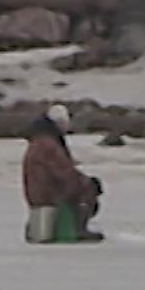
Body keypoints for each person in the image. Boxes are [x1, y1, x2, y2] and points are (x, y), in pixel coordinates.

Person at [21, 103, 102, 243]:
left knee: (79, 186)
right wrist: (85, 182)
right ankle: (77, 229)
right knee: (87, 190)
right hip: (49, 192)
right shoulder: (48, 144)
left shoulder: (39, 140)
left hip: (39, 191)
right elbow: (64, 172)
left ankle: (43, 228)